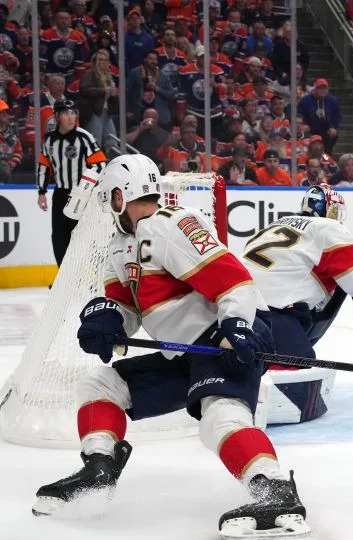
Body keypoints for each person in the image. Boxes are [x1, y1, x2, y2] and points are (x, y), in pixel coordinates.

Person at [32, 154, 310, 539]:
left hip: (222, 339)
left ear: (118, 196)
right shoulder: (118, 247)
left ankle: (276, 492)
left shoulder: (175, 224)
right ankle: (98, 469)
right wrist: (107, 319)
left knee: (221, 417)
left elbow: (235, 283)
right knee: (99, 385)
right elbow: (126, 308)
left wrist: (237, 327)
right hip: (183, 354)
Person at [240, 184, 353, 421]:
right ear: (333, 212)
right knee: (303, 394)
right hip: (273, 318)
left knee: (336, 274)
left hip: (232, 313)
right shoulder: (328, 228)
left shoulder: (272, 226)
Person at [37, 100, 108, 267]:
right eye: (66, 113)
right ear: (57, 116)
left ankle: (86, 276)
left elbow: (100, 164)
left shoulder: (84, 137)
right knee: (59, 236)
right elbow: (44, 166)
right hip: (60, 194)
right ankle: (64, 277)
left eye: (73, 113)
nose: (71, 117)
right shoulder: (49, 140)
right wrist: (41, 192)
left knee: (82, 235)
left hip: (81, 195)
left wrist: (86, 185)